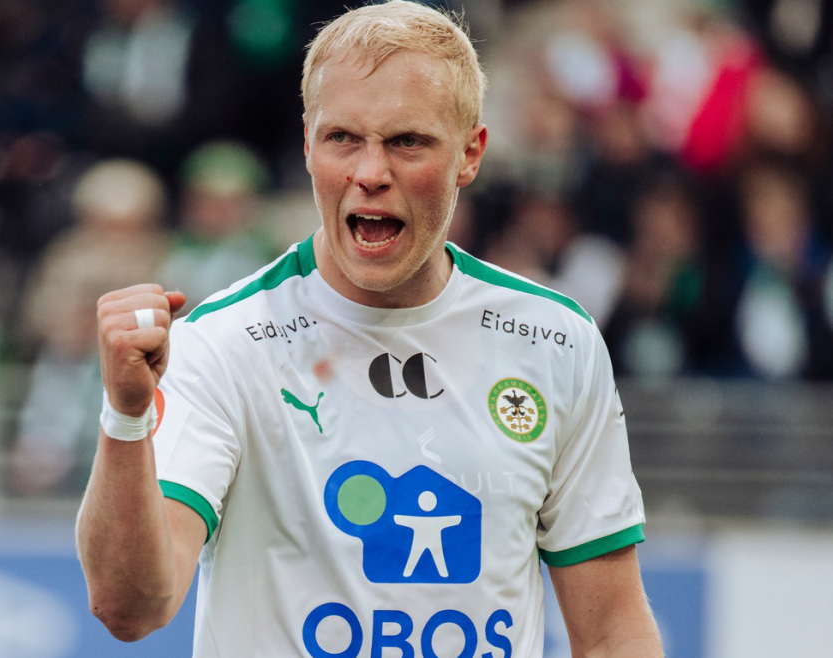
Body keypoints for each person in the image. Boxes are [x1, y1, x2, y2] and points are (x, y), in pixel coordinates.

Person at [76, 2, 663, 657]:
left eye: (407, 141)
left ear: (470, 153)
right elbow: (131, 607)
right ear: (307, 145)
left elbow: (612, 632)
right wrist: (125, 418)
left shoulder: (554, 341)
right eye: (343, 139)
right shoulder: (223, 343)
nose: (370, 174)